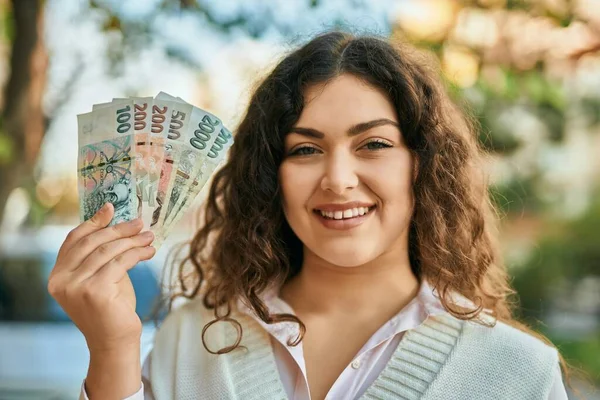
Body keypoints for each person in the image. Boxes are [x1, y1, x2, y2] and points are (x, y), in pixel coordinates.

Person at [48, 31, 573, 400]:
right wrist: (112, 347)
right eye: (304, 150)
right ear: (268, 175)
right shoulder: (193, 339)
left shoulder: (518, 374)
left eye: (372, 143)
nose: (338, 178)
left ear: (424, 166)